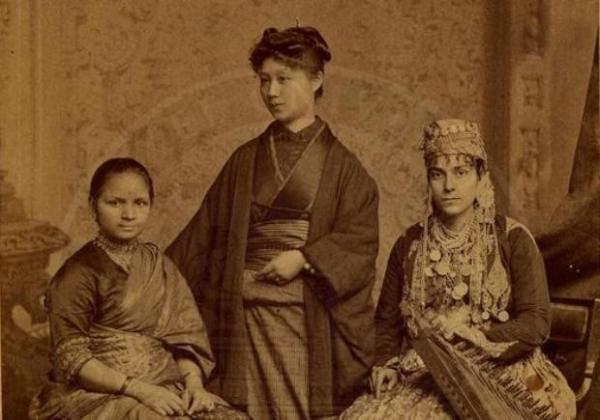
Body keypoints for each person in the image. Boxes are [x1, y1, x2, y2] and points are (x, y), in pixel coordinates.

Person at [165, 26, 379, 420]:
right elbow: (199, 239)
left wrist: (304, 257)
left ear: (316, 80)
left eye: (284, 79)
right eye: (264, 81)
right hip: (243, 319)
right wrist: (141, 279)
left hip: (303, 319)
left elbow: (359, 242)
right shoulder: (244, 161)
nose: (272, 92)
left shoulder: (345, 170)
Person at [340, 119, 576, 419]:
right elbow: (387, 322)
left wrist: (473, 335)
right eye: (438, 174)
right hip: (431, 369)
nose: (449, 186)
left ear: (481, 176)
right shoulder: (409, 244)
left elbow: (536, 322)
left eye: (461, 173)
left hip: (510, 370)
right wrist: (387, 363)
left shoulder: (512, 238)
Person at [29, 158, 248, 419]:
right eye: (115, 202)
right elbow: (73, 361)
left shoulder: (160, 266)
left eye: (140, 203)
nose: (129, 215)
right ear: (92, 206)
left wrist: (194, 386)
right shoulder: (76, 274)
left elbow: (185, 342)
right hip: (98, 394)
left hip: (166, 386)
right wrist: (141, 391)